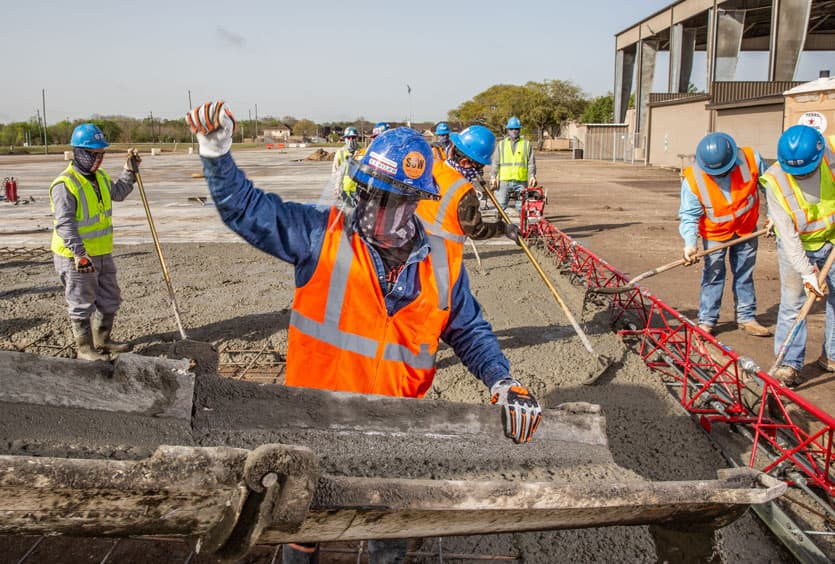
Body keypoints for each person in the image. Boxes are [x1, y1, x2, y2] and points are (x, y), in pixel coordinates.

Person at [186, 101, 542, 564]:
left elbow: (469, 328)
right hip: (313, 419)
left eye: (390, 199)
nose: (375, 210)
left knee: (384, 527)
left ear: (415, 202)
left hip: (393, 426)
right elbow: (246, 211)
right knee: (302, 526)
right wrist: (216, 153)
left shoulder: (440, 263)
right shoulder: (322, 237)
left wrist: (501, 379)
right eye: (369, 194)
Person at [49, 124, 138, 361]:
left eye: (101, 154)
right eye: (93, 154)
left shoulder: (100, 177)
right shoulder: (65, 184)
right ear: (78, 152)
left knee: (110, 298)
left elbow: (118, 193)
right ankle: (84, 347)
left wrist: (129, 171)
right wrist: (80, 254)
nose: (98, 159)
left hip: (101, 251)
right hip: (75, 255)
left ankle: (103, 339)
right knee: (81, 302)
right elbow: (65, 224)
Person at [761, 124, 835, 386]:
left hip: (832, 239)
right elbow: (789, 237)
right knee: (793, 304)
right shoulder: (776, 180)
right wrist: (807, 273)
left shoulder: (832, 153)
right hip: (799, 246)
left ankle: (832, 356)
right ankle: (788, 365)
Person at [678, 132, 770, 338]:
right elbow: (689, 216)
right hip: (715, 233)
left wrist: (773, 216)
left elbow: (771, 188)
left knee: (744, 273)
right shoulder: (693, 179)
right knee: (713, 275)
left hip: (746, 229)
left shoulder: (750, 159)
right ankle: (707, 320)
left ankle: (746, 317)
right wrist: (690, 244)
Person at [418, 124, 518, 245]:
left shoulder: (431, 166)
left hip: (417, 247)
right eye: (479, 165)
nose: (479, 171)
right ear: (465, 163)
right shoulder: (464, 191)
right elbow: (476, 230)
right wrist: (503, 229)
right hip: (443, 255)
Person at [490, 116, 536, 213]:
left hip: (521, 181)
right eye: (511, 129)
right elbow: (495, 162)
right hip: (504, 181)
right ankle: (499, 226)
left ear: (519, 130)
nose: (514, 131)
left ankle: (523, 227)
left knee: (522, 207)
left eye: (516, 129)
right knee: (500, 206)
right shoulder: (501, 144)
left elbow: (531, 163)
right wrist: (493, 176)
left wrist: (532, 176)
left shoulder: (526, 144)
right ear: (507, 130)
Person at [332, 126, 360, 205]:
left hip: (360, 192)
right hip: (345, 191)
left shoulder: (363, 152)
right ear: (345, 139)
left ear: (357, 138)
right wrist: (337, 187)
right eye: (348, 137)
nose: (351, 140)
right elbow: (335, 172)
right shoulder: (340, 153)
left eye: (353, 137)